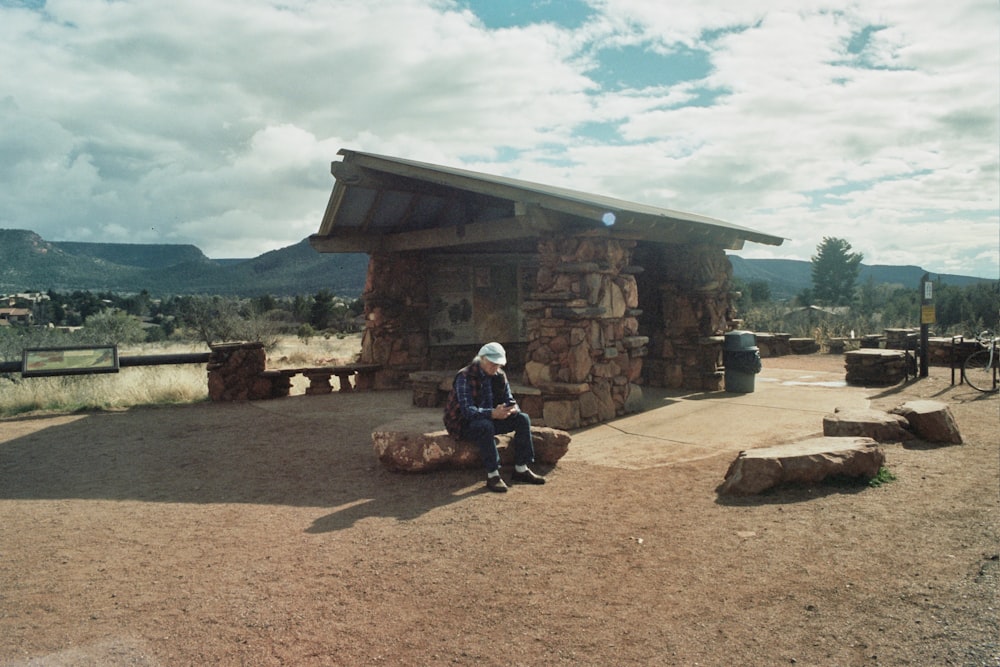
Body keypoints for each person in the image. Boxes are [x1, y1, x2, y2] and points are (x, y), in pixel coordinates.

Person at [443, 342, 546, 493]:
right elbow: (467, 411)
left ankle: (521, 468)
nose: (495, 368)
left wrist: (511, 410)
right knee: (485, 426)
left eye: (498, 364)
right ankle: (493, 474)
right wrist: (492, 413)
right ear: (481, 359)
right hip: (463, 424)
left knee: (522, 419)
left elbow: (510, 400)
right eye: (492, 364)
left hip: (491, 418)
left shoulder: (500, 376)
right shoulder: (465, 376)